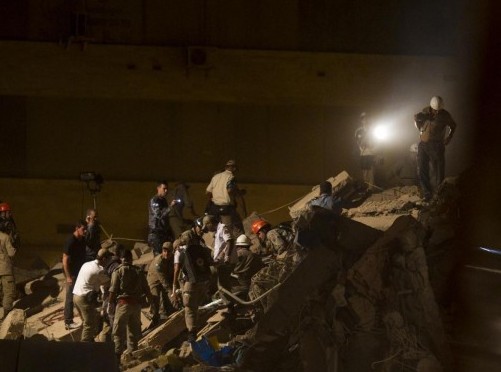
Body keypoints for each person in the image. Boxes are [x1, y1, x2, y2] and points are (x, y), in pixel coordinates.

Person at [108, 249, 152, 359]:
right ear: (131, 259)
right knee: (133, 333)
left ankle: (117, 358)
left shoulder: (118, 271)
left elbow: (113, 289)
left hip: (123, 304)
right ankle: (134, 356)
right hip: (136, 306)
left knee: (118, 333)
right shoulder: (138, 270)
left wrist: (110, 303)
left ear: (121, 259)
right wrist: (152, 302)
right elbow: (146, 288)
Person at [172, 232, 214, 342]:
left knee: (189, 309)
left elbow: (176, 270)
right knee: (197, 306)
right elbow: (210, 262)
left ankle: (192, 333)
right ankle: (198, 327)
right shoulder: (201, 248)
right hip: (204, 281)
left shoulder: (180, 251)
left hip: (191, 283)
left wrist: (174, 286)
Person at [414, 96, 457, 201]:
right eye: (435, 110)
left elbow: (453, 125)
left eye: (439, 110)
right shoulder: (425, 111)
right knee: (421, 169)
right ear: (431, 107)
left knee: (438, 172)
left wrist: (449, 137)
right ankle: (427, 194)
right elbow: (416, 120)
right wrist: (419, 125)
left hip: (437, 145)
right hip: (423, 144)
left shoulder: (445, 115)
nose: (437, 112)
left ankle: (439, 195)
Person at [73, 248, 112, 342]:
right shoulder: (99, 270)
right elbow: (109, 283)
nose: (109, 261)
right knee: (89, 324)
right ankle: (85, 347)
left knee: (87, 321)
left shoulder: (86, 264)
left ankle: (90, 341)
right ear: (104, 259)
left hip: (76, 296)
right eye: (109, 259)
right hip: (84, 298)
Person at [62, 220, 88, 330]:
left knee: (81, 294)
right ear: (77, 228)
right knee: (70, 297)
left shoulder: (82, 240)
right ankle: (68, 321)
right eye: (83, 229)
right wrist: (68, 276)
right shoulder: (70, 241)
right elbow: (65, 260)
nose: (85, 231)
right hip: (71, 273)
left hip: (79, 271)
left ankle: (83, 317)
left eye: (86, 229)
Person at [206, 160, 247, 227]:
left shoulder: (215, 177)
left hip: (214, 208)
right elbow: (229, 190)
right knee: (237, 225)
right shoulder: (231, 177)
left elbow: (208, 191)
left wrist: (216, 196)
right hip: (226, 208)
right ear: (234, 168)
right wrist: (239, 192)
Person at [147, 241, 176, 325]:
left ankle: (169, 313)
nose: (166, 253)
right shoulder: (158, 262)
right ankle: (155, 319)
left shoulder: (173, 258)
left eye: (168, 251)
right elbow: (164, 283)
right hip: (154, 279)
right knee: (156, 299)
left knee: (167, 299)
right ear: (162, 251)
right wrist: (172, 294)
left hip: (165, 277)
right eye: (164, 251)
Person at [148, 180, 177, 256]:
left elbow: (166, 217)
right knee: (159, 256)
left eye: (167, 188)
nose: (166, 191)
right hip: (156, 233)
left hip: (164, 232)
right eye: (164, 188)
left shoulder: (163, 200)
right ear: (158, 188)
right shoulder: (154, 200)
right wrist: (170, 207)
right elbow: (159, 215)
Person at [355, 112, 377, 190]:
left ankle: (371, 188)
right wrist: (367, 134)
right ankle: (367, 188)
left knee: (371, 172)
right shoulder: (359, 131)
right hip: (363, 154)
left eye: (367, 118)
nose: (366, 120)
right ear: (361, 120)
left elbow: (376, 142)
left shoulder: (374, 130)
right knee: (365, 173)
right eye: (364, 119)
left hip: (372, 153)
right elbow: (361, 144)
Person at [0, 230, 16, 320]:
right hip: (5, 269)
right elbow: (11, 253)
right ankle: (6, 315)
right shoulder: (4, 237)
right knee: (9, 292)